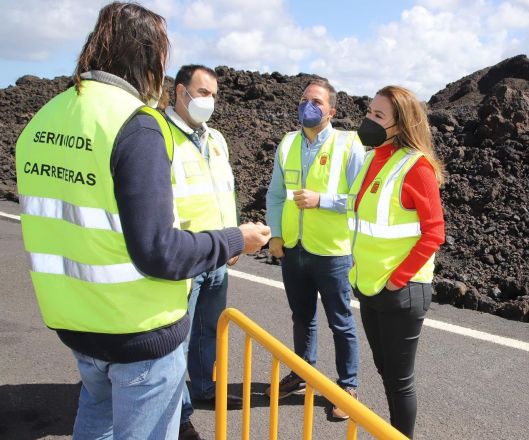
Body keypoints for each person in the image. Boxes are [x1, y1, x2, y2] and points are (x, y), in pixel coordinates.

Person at [14, 3, 271, 439]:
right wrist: (234, 240)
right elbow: (159, 252)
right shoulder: (136, 126)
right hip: (136, 328)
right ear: (148, 59)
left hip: (74, 320)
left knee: (96, 419)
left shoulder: (42, 120)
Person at [348, 85, 445, 438]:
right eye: (369, 112)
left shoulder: (416, 167)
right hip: (370, 287)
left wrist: (397, 279)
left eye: (378, 116)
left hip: (400, 291)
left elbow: (434, 233)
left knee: (400, 381)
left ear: (401, 124)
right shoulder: (373, 158)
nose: (368, 120)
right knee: (386, 372)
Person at [265, 78, 365, 420]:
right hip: (294, 249)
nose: (309, 106)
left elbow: (359, 199)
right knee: (302, 317)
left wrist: (321, 200)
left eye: (317, 102)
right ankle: (303, 372)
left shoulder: (349, 145)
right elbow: (276, 195)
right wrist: (275, 235)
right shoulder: (288, 143)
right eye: (305, 99)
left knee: (341, 321)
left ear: (332, 110)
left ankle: (347, 386)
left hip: (333, 252)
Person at [164, 64, 241, 439]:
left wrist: (232, 238)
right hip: (185, 256)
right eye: (202, 92)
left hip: (217, 254)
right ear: (180, 92)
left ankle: (205, 387)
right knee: (178, 336)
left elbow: (225, 190)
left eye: (213, 94)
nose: (209, 101)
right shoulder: (160, 134)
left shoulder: (215, 139)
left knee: (209, 328)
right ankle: (178, 414)